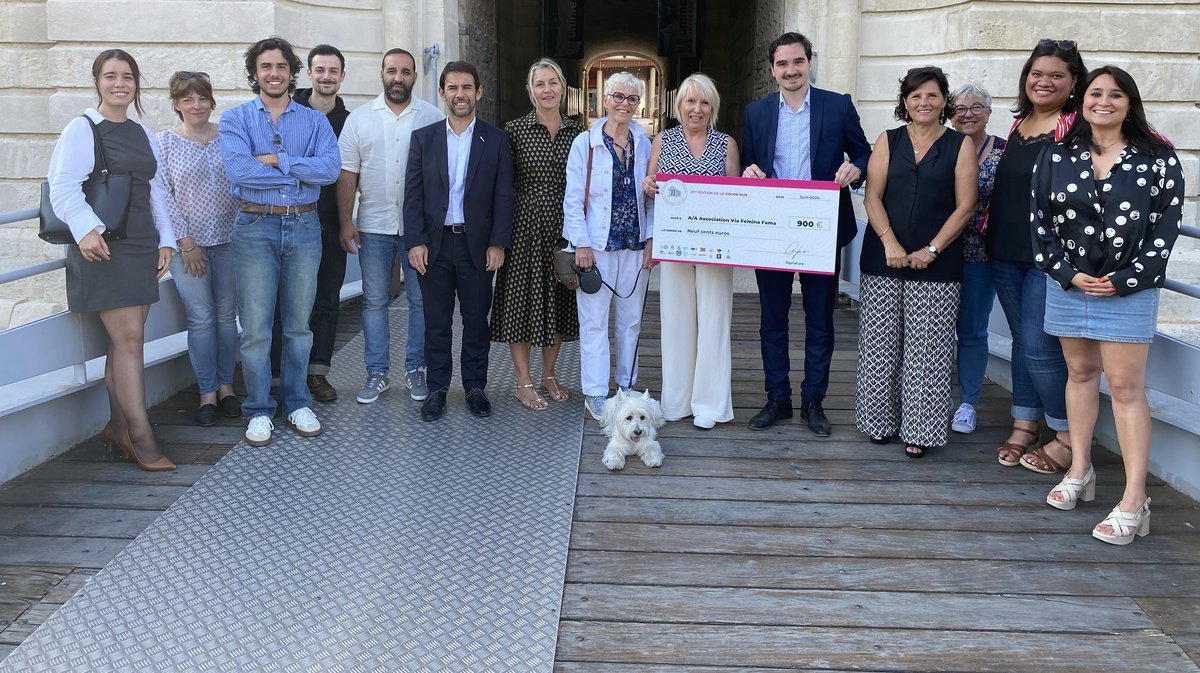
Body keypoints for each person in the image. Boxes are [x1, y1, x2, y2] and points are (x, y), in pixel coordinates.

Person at [1034, 66, 1184, 545]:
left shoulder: (1159, 159)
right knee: (1079, 375)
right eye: (1095, 93)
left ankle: (1134, 500)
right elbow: (1039, 223)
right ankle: (1079, 469)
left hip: (1128, 290)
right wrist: (1065, 273)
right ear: (1082, 101)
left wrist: (1124, 280)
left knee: (1124, 387)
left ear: (1129, 103)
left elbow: (1165, 230)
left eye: (1115, 94)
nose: (1104, 101)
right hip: (1069, 286)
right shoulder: (1055, 156)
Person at [47, 49, 176, 470]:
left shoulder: (142, 131)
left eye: (127, 76)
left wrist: (167, 240)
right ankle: (140, 438)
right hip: (102, 249)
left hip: (140, 246)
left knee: (125, 344)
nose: (119, 83)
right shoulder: (83, 129)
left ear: (136, 83)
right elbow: (62, 186)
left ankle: (117, 426)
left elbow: (155, 192)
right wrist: (87, 229)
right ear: (97, 81)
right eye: (110, 76)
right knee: (130, 343)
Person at [741, 32, 872, 435]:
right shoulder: (756, 112)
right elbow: (748, 163)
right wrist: (748, 172)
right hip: (773, 229)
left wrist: (857, 168)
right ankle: (777, 398)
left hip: (821, 228)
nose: (791, 70)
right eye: (782, 64)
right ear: (772, 69)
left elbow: (864, 152)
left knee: (820, 319)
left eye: (797, 62)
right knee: (771, 320)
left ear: (809, 62)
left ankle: (814, 401)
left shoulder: (837, 106)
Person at [219, 36, 340, 447]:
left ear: (293, 73)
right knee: (254, 328)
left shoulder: (315, 121)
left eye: (281, 66)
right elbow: (239, 173)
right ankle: (258, 409)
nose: (274, 73)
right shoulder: (235, 119)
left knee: (298, 326)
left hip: (304, 228)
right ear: (255, 73)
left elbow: (329, 171)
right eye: (265, 67)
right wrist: (297, 172)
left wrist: (277, 159)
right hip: (255, 228)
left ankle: (297, 401)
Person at [856, 66, 977, 458]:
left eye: (932, 95)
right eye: (915, 95)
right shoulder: (887, 140)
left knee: (929, 348)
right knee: (880, 343)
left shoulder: (961, 146)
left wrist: (932, 249)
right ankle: (878, 422)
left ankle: (920, 429)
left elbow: (965, 206)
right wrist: (890, 242)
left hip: (938, 263)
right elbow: (872, 196)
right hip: (883, 258)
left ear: (945, 101)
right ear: (904, 101)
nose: (923, 102)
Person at [987, 39, 1087, 472]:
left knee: (1040, 348)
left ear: (1073, 82)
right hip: (1004, 250)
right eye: (1036, 73)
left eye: (1056, 75)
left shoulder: (1079, 126)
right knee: (1023, 343)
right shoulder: (1018, 124)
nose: (1044, 82)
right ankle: (1025, 424)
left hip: (1051, 257)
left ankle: (1066, 436)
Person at [404, 61, 514, 421]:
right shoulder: (424, 138)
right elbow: (413, 195)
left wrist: (498, 243)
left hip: (477, 247)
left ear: (478, 92)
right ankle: (436, 390)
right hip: (434, 247)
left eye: (467, 87)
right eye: (452, 88)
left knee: (475, 321)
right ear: (441, 93)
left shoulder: (496, 140)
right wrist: (415, 241)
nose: (460, 94)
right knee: (436, 322)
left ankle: (475, 388)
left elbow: (503, 196)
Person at [338, 47, 444, 405]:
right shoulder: (360, 119)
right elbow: (347, 173)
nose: (398, 77)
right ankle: (377, 373)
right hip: (373, 225)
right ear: (382, 74)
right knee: (373, 301)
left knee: (420, 301)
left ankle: (416, 369)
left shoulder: (431, 117)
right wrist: (345, 222)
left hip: (419, 231)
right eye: (391, 71)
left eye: (405, 71)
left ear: (415, 76)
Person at [642, 72, 740, 429]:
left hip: (715, 248)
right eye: (689, 101)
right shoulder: (662, 142)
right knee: (677, 320)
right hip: (674, 244)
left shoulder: (726, 144)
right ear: (678, 105)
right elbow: (649, 193)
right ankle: (678, 400)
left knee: (714, 321)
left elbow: (735, 196)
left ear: (712, 107)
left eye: (703, 102)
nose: (696, 109)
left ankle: (710, 405)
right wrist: (649, 186)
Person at [492, 58, 585, 411]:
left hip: (565, 228)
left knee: (559, 304)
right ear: (529, 90)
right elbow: (501, 186)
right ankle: (523, 381)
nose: (547, 90)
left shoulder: (579, 133)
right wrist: (498, 237)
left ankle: (548, 374)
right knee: (522, 303)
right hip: (524, 227)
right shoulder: (514, 130)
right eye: (540, 84)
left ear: (563, 88)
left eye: (553, 83)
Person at [562, 71, 655, 421]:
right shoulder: (584, 143)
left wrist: (651, 240)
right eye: (618, 97)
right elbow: (573, 199)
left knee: (630, 322)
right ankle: (597, 393)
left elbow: (651, 197)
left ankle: (627, 388)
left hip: (634, 245)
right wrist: (581, 243)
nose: (624, 104)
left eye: (632, 99)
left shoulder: (644, 143)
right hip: (597, 247)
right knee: (595, 322)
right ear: (605, 99)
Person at [158, 70, 241, 427]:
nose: (197, 105)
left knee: (227, 318)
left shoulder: (231, 136)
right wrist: (185, 243)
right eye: (188, 99)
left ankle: (226, 388)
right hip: (187, 246)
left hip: (232, 241)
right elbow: (162, 197)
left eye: (202, 98)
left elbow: (244, 184)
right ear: (176, 104)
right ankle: (206, 391)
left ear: (211, 101)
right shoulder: (164, 143)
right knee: (202, 319)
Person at [269, 44, 350, 403]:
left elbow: (342, 174)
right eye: (320, 70)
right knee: (280, 302)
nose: (326, 76)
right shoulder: (286, 113)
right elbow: (265, 166)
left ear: (342, 76)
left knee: (327, 300)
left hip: (332, 223)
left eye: (333, 71)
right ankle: (277, 376)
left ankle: (317, 374)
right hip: (287, 219)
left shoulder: (350, 122)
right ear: (309, 74)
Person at [947, 83, 1006, 435]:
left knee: (971, 331)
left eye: (976, 107)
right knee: (932, 331)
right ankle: (930, 400)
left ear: (988, 111)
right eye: (960, 108)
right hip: (937, 254)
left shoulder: (1003, 152)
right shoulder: (942, 144)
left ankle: (967, 403)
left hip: (979, 255)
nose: (967, 114)